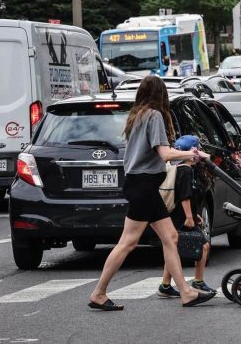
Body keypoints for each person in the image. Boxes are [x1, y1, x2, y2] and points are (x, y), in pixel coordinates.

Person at [88, 75, 214, 310]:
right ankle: (98, 292)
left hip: (141, 184)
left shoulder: (137, 115)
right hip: (144, 186)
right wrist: (194, 155)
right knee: (128, 242)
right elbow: (165, 154)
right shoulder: (154, 116)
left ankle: (185, 292)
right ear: (161, 95)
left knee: (171, 237)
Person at [157, 135, 216, 297]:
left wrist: (194, 214)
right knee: (204, 246)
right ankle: (198, 281)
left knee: (173, 249)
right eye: (198, 149)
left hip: (176, 215)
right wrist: (190, 217)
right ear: (192, 152)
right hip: (182, 216)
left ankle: (165, 285)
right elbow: (185, 196)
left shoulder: (176, 168)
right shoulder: (186, 170)